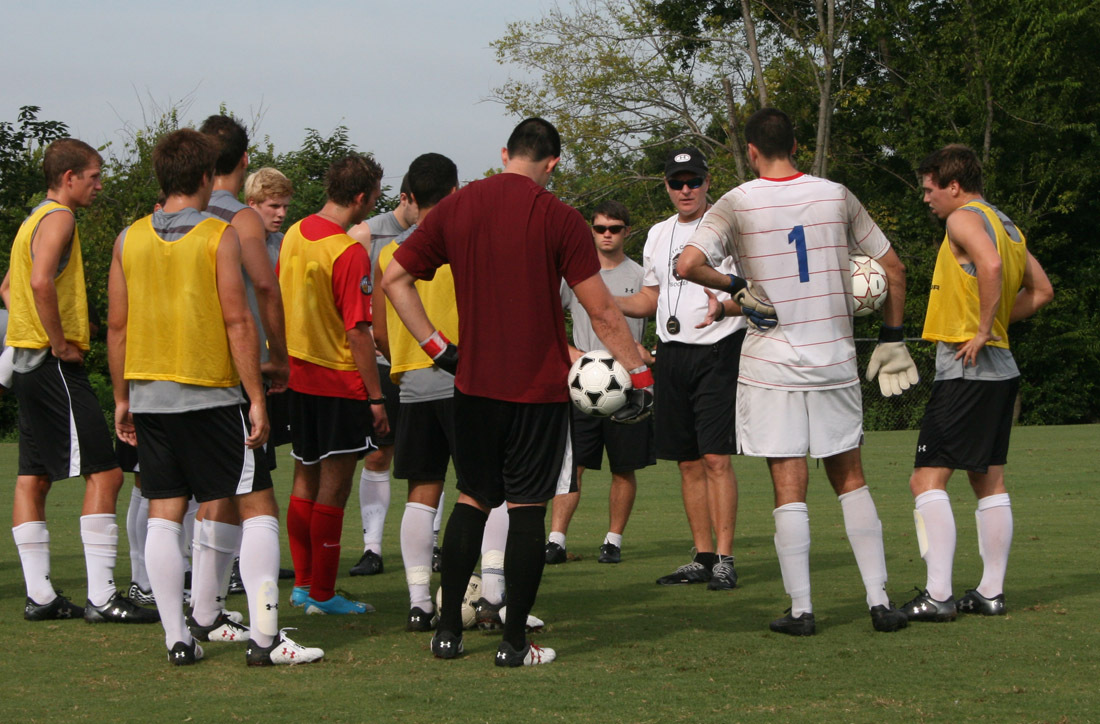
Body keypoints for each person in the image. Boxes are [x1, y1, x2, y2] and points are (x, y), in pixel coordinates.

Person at [383, 117, 653, 667]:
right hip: (536, 389)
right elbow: (600, 310)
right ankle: (512, 645)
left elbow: (394, 279)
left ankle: (447, 634)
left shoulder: (457, 206)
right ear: (553, 162)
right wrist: (640, 375)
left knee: (471, 499)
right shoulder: (560, 218)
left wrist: (437, 347)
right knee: (528, 508)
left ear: (504, 152)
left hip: (473, 386)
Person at [677, 107, 914, 634]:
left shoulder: (736, 201)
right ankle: (879, 602)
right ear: (797, 144)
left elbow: (686, 266)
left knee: (789, 487)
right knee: (851, 479)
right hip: (833, 359)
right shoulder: (836, 194)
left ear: (753, 152)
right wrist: (895, 339)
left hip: (772, 365)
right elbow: (893, 268)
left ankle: (803, 610)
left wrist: (737, 287)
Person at [107, 128, 322, 665]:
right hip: (211, 393)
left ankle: (177, 639)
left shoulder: (127, 237)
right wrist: (256, 395)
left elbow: (116, 327)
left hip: (150, 394)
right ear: (206, 177)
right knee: (257, 508)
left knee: (164, 511)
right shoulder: (217, 235)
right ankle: (267, 640)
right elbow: (236, 319)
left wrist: (120, 398)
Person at [897, 144, 1053, 622]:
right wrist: (997, 325)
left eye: (929, 189)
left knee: (925, 479)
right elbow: (1042, 291)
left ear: (954, 186)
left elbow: (989, 267)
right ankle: (989, 592)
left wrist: (982, 330)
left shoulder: (962, 219)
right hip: (1000, 369)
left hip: (967, 368)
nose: (927, 199)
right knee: (988, 480)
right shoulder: (1006, 223)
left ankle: (938, 595)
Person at [6, 138, 157, 624]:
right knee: (107, 472)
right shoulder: (59, 218)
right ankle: (101, 597)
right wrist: (58, 340)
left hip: (25, 362)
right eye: (93, 176)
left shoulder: (31, 219)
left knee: (34, 476)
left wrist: (31, 330)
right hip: (51, 365)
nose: (99, 184)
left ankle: (42, 597)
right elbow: (38, 282)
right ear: (68, 177)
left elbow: (8, 288)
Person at [616, 147, 746, 590]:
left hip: (718, 349)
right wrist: (605, 301)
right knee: (687, 463)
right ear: (667, 187)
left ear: (708, 182)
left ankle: (726, 558)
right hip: (671, 353)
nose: (686, 189)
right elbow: (650, 298)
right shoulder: (657, 234)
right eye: (677, 182)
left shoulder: (728, 228)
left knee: (715, 458)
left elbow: (751, 293)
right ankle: (703, 555)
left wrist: (725, 308)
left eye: (693, 181)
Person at [190, 115, 291, 632]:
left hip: (183, 369)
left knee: (206, 495)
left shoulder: (162, 220)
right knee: (258, 500)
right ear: (245, 160)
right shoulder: (240, 221)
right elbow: (265, 290)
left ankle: (202, 612)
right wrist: (279, 354)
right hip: (235, 370)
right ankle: (265, 631)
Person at [279, 154, 390, 615]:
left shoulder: (294, 232)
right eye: (376, 194)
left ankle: (304, 585)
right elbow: (357, 331)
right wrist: (376, 396)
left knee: (304, 476)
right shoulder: (347, 250)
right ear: (362, 197)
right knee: (335, 486)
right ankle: (322, 594)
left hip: (298, 377)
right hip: (338, 381)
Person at [372, 154, 459, 630]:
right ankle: (490, 590)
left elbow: (379, 332)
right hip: (464, 379)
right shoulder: (459, 246)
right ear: (452, 192)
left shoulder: (388, 253)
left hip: (411, 383)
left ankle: (419, 601)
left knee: (421, 493)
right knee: (484, 489)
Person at [547, 201, 656, 565]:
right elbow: (546, 321)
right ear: (590, 230)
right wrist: (570, 351)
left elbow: (662, 317)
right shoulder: (574, 274)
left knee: (623, 468)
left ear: (627, 231)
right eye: (599, 228)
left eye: (614, 228)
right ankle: (556, 540)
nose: (606, 234)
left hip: (627, 386)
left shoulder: (641, 276)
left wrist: (648, 355)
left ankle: (613, 541)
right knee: (572, 467)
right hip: (582, 388)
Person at [346, 177, 418, 577]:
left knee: (427, 456)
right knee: (378, 454)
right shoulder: (365, 233)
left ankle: (435, 543)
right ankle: (372, 548)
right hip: (382, 361)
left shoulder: (439, 234)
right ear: (404, 198)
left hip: (424, 360)